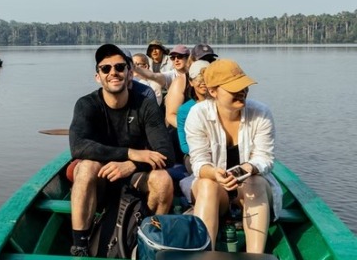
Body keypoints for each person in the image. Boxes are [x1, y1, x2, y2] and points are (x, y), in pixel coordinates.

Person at [68, 44, 175, 257]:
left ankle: (149, 240)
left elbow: (166, 153)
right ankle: (80, 246)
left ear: (129, 73)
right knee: (86, 166)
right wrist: (129, 153)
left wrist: (131, 164)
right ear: (98, 76)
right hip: (100, 180)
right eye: (105, 69)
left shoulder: (145, 105)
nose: (113, 73)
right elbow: (78, 146)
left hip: (134, 178)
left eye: (119, 67)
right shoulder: (86, 104)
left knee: (163, 180)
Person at [185, 59, 282, 253]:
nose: (242, 91)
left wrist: (246, 169)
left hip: (252, 192)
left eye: (244, 86)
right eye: (233, 88)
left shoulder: (261, 113)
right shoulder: (198, 114)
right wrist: (214, 174)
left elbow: (265, 158)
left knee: (254, 182)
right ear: (213, 91)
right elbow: (199, 162)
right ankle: (206, 254)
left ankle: (255, 255)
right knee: (206, 183)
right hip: (216, 192)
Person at [176, 60, 210, 172]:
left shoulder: (222, 104)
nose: (203, 83)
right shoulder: (184, 110)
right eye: (198, 80)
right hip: (193, 155)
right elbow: (184, 145)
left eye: (207, 79)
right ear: (190, 82)